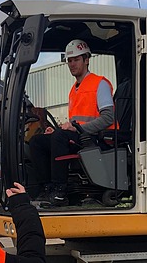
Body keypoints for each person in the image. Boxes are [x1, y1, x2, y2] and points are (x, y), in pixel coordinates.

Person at [29, 39, 116, 206]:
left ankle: (59, 190)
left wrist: (78, 129)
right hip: (80, 137)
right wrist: (60, 130)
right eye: (69, 60)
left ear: (87, 60)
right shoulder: (74, 89)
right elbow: (74, 122)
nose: (72, 64)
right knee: (37, 141)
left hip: (97, 138)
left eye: (76, 59)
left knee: (60, 137)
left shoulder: (100, 84)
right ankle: (45, 188)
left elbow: (108, 118)